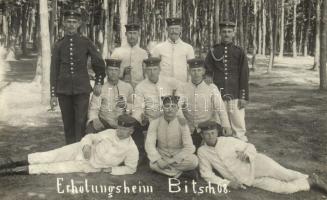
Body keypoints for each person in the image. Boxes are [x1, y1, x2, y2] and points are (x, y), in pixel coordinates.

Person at [197, 120, 327, 194]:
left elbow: (250, 146)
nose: (210, 136)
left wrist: (246, 154)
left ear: (217, 132)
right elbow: (206, 174)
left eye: (213, 133)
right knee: (284, 189)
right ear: (202, 135)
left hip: (257, 163)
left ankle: (316, 181)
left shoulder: (228, 141)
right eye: (206, 134)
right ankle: (309, 181)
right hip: (246, 179)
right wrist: (226, 183)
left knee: (285, 174)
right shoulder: (202, 152)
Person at [0, 115, 139, 176]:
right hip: (79, 149)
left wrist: (112, 170)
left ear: (131, 131)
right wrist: (86, 146)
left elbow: (131, 168)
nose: (120, 131)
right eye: (119, 128)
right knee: (48, 156)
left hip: (89, 166)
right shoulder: (110, 132)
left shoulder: (131, 149)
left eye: (124, 130)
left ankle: (8, 172)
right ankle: (6, 163)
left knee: (52, 168)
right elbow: (90, 137)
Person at [50, 10, 106, 144]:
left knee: (81, 122)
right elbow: (54, 70)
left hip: (82, 90)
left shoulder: (85, 42)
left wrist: (98, 82)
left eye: (74, 22)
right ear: (64, 23)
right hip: (63, 91)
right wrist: (53, 94)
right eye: (68, 22)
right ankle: (70, 151)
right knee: (68, 124)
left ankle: (81, 152)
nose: (71, 25)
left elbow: (99, 62)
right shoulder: (59, 44)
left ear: (79, 24)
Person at [204, 21, 249, 141]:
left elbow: (244, 74)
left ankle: (241, 147)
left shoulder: (239, 51)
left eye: (229, 32)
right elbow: (207, 70)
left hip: (235, 94)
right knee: (219, 124)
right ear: (220, 33)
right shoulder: (214, 51)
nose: (226, 34)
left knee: (238, 124)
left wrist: (243, 96)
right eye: (224, 32)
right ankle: (221, 148)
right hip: (218, 94)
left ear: (234, 33)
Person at [181, 58, 232, 148]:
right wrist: (182, 120)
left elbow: (220, 107)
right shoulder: (183, 88)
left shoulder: (211, 87)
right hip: (189, 129)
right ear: (189, 71)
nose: (196, 73)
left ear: (203, 71)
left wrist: (226, 125)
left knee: (216, 150)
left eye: (199, 70)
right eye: (193, 70)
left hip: (207, 129)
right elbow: (177, 107)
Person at [145, 94, 198, 178]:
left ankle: (169, 171)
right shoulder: (155, 122)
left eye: (173, 106)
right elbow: (149, 144)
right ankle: (181, 173)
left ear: (177, 109)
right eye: (167, 106)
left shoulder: (182, 123)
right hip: (162, 155)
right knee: (152, 164)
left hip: (178, 156)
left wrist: (171, 161)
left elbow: (189, 147)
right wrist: (159, 160)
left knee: (194, 161)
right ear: (162, 108)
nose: (170, 109)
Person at [132, 57, 184, 127]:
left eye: (155, 69)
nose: (152, 73)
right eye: (149, 70)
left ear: (159, 69)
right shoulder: (140, 87)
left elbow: (182, 87)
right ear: (146, 71)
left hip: (170, 120)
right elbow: (138, 108)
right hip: (152, 122)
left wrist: (177, 102)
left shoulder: (169, 81)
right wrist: (141, 118)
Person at [86, 58, 134, 133]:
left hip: (122, 123)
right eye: (111, 70)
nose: (113, 73)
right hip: (105, 122)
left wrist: (125, 105)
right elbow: (93, 108)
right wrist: (94, 119)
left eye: (116, 70)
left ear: (119, 72)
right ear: (106, 71)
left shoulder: (127, 87)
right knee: (91, 129)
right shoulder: (101, 87)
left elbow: (134, 105)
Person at [151, 18, 195, 82]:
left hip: (182, 84)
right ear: (167, 30)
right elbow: (154, 68)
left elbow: (191, 68)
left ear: (180, 30)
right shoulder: (158, 48)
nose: (174, 31)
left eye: (176, 28)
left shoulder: (188, 48)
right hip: (164, 85)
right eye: (171, 29)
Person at [110, 21, 148, 87]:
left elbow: (146, 74)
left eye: (134, 33)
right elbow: (111, 72)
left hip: (138, 88)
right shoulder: (117, 52)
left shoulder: (143, 53)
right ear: (126, 34)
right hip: (121, 87)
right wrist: (122, 73)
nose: (132, 36)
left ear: (138, 34)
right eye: (130, 33)